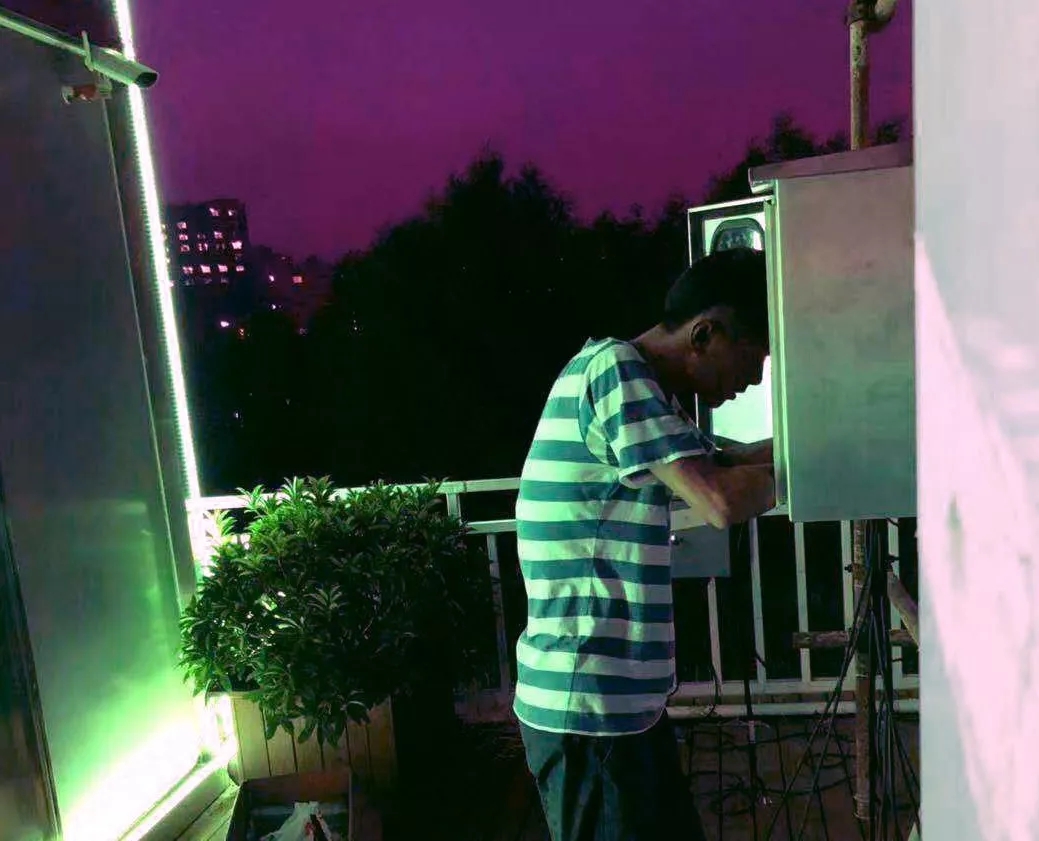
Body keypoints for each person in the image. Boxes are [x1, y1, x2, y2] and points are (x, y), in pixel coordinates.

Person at [514, 247, 777, 841]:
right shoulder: (615, 370)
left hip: (620, 708)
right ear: (704, 334)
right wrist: (823, 471)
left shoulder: (647, 393)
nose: (755, 379)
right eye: (753, 356)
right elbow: (720, 499)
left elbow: (729, 462)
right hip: (588, 707)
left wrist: (824, 440)